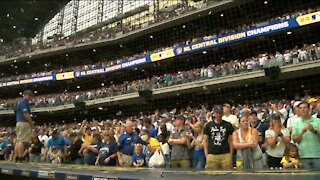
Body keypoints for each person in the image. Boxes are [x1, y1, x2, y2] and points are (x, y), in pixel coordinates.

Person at [203, 105, 234, 170]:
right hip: (212, 155)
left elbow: (231, 141)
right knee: (212, 175)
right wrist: (207, 155)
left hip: (225, 154)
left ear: (222, 113)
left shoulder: (228, 125)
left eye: (220, 112)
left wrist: (230, 155)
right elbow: (205, 141)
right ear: (213, 114)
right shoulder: (208, 126)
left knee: (228, 175)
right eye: (217, 113)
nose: (219, 114)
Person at [292, 102, 320, 169]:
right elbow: (294, 140)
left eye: (304, 108)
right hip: (303, 156)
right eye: (300, 108)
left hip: (318, 156)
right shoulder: (296, 123)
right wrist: (302, 132)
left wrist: (314, 131)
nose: (302, 109)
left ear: (309, 109)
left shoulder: (318, 121)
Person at [15, 90, 35, 162]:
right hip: (23, 122)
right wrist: (31, 123)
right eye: (30, 96)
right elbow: (26, 114)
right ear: (26, 95)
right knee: (22, 141)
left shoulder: (21, 102)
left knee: (18, 140)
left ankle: (17, 157)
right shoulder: (23, 102)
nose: (31, 98)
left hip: (19, 122)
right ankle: (20, 158)